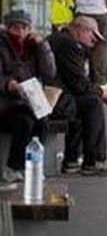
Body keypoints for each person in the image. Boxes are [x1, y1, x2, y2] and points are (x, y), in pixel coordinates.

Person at [48, 16, 107, 177]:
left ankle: (72, 160)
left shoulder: (76, 46)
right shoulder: (68, 46)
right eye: (92, 36)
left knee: (85, 102)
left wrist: (104, 90)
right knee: (92, 104)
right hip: (53, 100)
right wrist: (103, 94)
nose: (94, 41)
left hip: (59, 97)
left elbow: (86, 82)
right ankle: (93, 160)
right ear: (81, 31)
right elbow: (78, 84)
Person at [0, 10, 56, 181]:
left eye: (24, 28)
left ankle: (34, 165)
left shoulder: (34, 46)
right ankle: (13, 167)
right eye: (16, 28)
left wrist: (42, 47)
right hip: (6, 103)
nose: (21, 33)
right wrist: (8, 84)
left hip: (28, 101)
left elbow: (49, 73)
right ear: (8, 28)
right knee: (24, 122)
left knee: (42, 121)